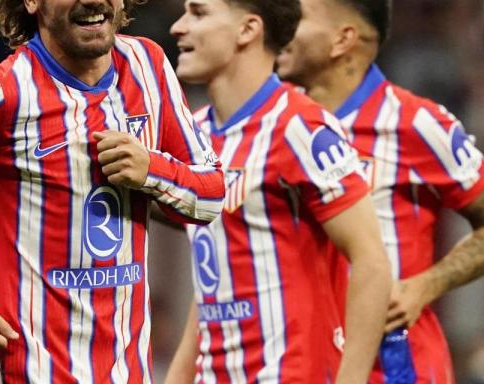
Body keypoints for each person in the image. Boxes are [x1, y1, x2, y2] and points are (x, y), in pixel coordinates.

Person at [0, 0, 227, 381]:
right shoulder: (2, 92)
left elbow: (212, 194)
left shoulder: (147, 65)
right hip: (28, 372)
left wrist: (151, 170)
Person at [275, 0, 484, 382]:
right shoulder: (277, 126)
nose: (281, 28)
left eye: (299, 18)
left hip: (394, 364)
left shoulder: (415, 123)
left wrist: (423, 287)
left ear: (343, 39)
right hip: (303, 359)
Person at [163, 0, 391, 383]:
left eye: (198, 13)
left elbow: (372, 263)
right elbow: (213, 282)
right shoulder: (193, 136)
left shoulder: (300, 126)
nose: (178, 27)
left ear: (248, 30)